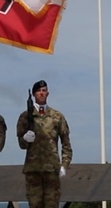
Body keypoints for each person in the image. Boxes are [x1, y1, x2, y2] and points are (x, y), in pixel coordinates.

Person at [16, 80, 73, 208]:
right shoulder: (25, 117)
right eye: (38, 91)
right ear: (34, 94)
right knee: (34, 205)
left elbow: (66, 144)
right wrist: (25, 138)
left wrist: (64, 165)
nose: (41, 93)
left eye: (44, 91)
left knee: (52, 204)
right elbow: (21, 144)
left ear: (48, 93)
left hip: (51, 170)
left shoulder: (57, 116)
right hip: (33, 170)